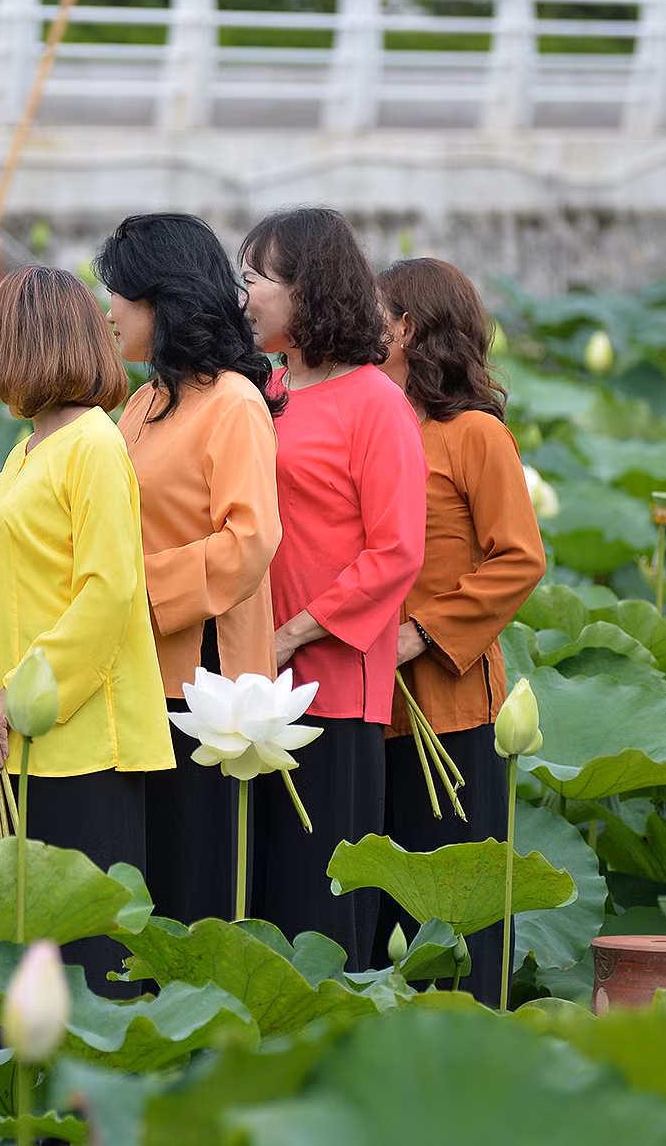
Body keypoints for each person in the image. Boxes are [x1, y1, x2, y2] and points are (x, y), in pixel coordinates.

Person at [0, 264, 172, 996]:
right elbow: (5, 582)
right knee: (7, 952)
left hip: (73, 742)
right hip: (4, 734)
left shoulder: (96, 446)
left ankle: (78, 1108)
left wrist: (26, 697)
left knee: (79, 964)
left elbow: (106, 594)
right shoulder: (27, 451)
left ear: (28, 341)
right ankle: (0, 1105)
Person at [238, 206, 426, 969]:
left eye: (255, 280)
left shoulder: (375, 401)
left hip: (331, 686)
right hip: (249, 682)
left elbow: (395, 552)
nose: (242, 297)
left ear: (307, 289)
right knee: (254, 904)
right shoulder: (266, 389)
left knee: (318, 912)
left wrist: (293, 633)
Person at [95, 213, 284, 926]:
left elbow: (250, 541)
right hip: (139, 669)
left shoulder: (235, 402)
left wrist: (136, 592)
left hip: (203, 682)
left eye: (121, 294)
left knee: (196, 885)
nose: (108, 311)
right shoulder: (141, 403)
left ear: (162, 301)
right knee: (147, 884)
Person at [374, 257, 547, 1002]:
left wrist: (423, 634)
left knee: (457, 916)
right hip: (368, 702)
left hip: (451, 704)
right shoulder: (371, 423)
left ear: (407, 328)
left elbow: (521, 559)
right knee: (381, 901)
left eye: (373, 313)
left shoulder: (474, 434)